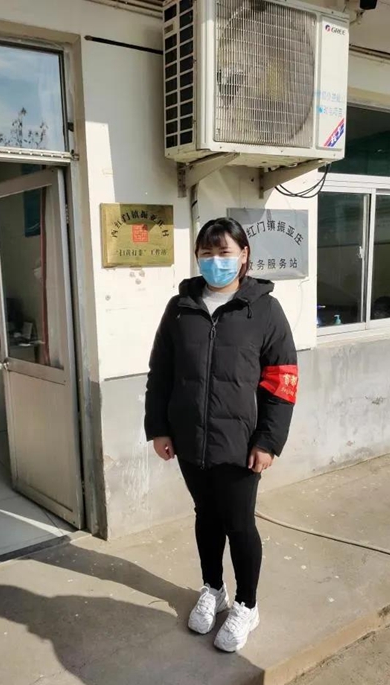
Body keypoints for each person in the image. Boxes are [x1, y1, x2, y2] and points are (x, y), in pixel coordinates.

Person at [144, 217, 298, 653]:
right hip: (189, 438)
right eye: (207, 253)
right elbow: (161, 372)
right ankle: (213, 589)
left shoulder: (264, 310)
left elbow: (282, 380)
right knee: (206, 517)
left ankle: (247, 605)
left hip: (240, 443)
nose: (216, 261)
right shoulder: (180, 308)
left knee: (239, 523)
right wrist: (159, 428)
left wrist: (268, 441)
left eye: (225, 252)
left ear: (244, 255)